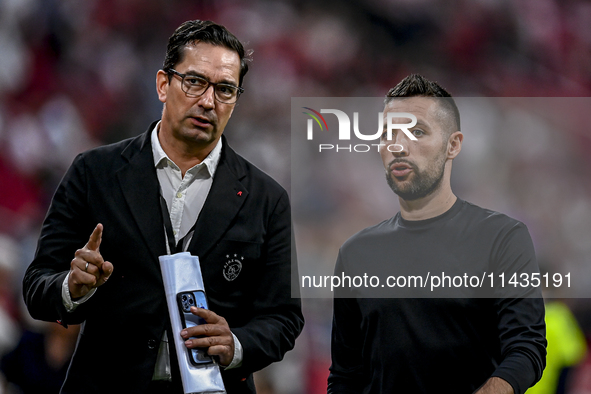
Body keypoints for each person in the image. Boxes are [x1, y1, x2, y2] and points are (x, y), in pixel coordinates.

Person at [23, 20, 304, 394]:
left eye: (225, 90)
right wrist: (72, 288)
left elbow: (283, 318)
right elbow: (37, 284)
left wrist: (235, 344)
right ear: (162, 84)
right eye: (194, 82)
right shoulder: (94, 172)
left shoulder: (267, 199)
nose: (208, 101)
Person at [327, 74, 546, 394]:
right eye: (388, 134)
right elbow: (346, 375)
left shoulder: (502, 238)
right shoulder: (355, 253)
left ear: (453, 145)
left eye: (417, 132)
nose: (399, 147)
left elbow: (526, 348)